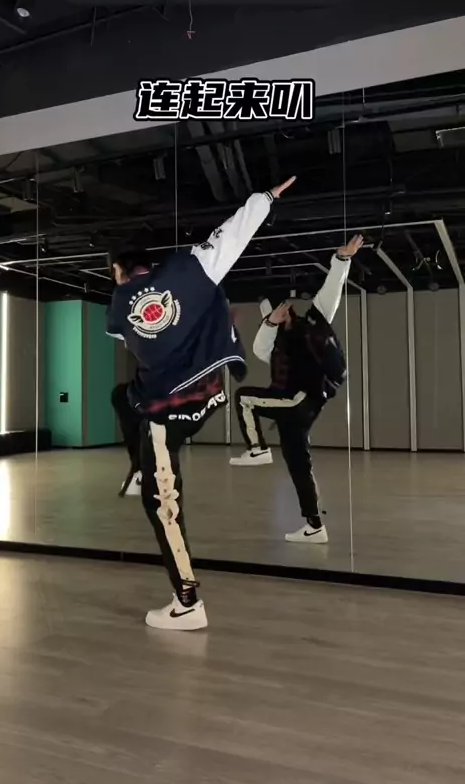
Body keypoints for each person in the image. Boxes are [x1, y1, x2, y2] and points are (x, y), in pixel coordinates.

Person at [106, 176, 296, 631]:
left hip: (166, 410)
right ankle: (140, 469)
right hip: (208, 393)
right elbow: (231, 236)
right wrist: (264, 199)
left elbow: (127, 337)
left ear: (117, 270)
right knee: (125, 398)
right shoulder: (187, 269)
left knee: (162, 502)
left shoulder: (117, 303)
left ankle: (187, 601)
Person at [230, 234, 364, 544]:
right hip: (293, 411)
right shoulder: (274, 342)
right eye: (269, 317)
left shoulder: (312, 322)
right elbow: (259, 348)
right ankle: (315, 526)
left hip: (299, 401)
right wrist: (269, 323)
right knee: (299, 467)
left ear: (288, 309)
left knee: (243, 398)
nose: (275, 318)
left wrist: (341, 259)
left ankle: (257, 448)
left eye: (277, 313)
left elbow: (331, 291)